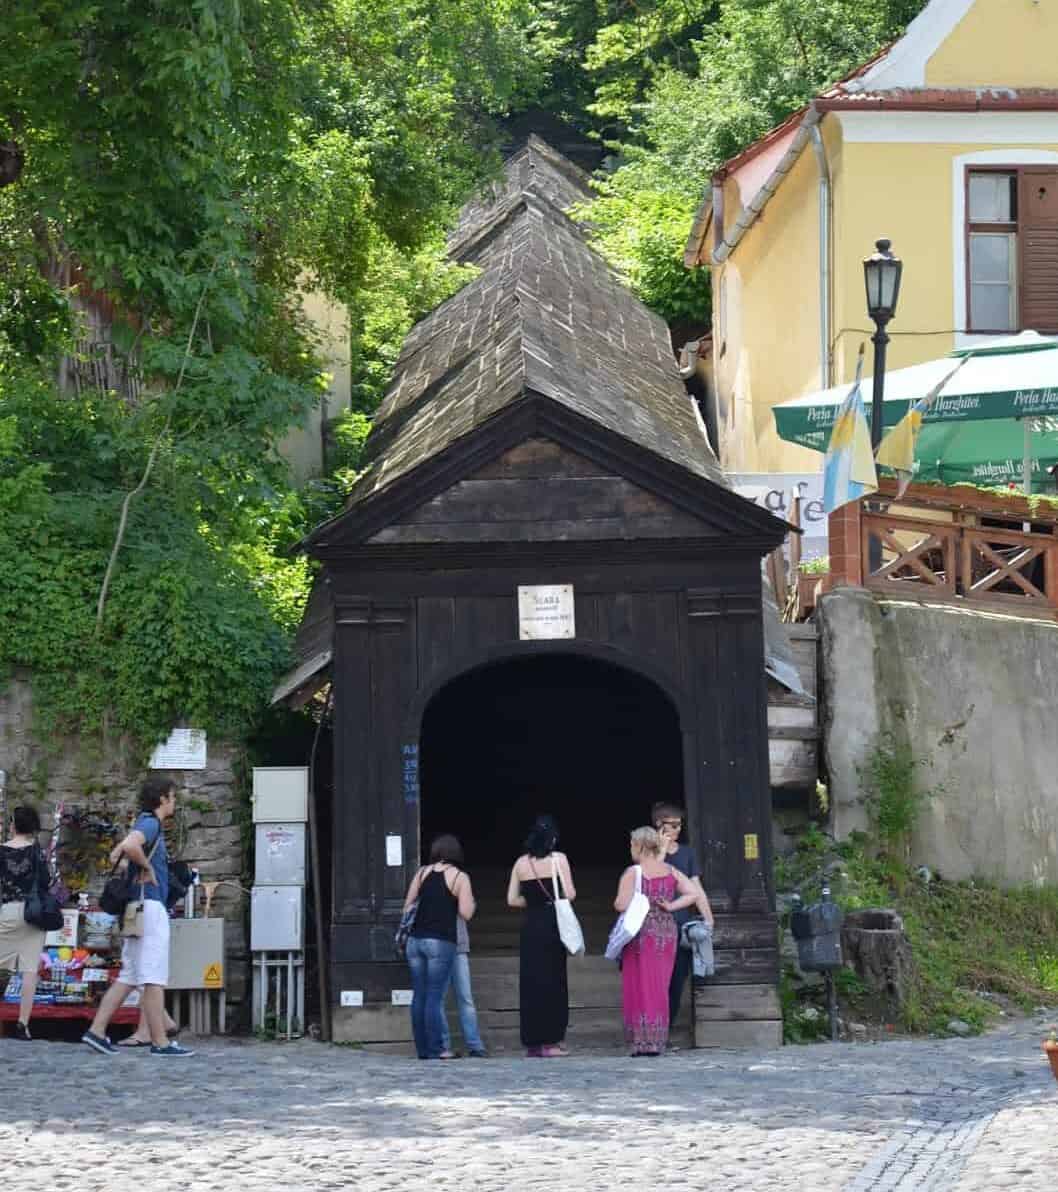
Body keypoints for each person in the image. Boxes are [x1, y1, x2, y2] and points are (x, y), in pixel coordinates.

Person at [82, 777, 194, 1057]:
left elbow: (115, 854)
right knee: (154, 977)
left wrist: (136, 858)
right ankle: (161, 1042)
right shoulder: (152, 823)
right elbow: (131, 847)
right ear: (162, 799)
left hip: (134, 909)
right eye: (172, 797)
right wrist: (147, 867)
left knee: (129, 975)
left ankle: (96, 1031)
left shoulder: (141, 822)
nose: (174, 802)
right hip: (150, 906)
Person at [615, 825, 712, 1057]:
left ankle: (640, 1041)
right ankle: (657, 1041)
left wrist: (637, 900)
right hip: (666, 932)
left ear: (639, 846)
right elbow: (693, 894)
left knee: (638, 985)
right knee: (659, 986)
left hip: (640, 933)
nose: (630, 848)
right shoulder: (670, 870)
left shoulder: (633, 873)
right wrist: (670, 906)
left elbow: (619, 904)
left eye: (631, 844)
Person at [507, 815, 576, 1058]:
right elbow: (569, 893)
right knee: (554, 982)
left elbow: (512, 900)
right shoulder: (559, 859)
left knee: (531, 983)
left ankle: (533, 1043)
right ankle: (552, 1041)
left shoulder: (520, 863)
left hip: (530, 926)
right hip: (552, 924)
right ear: (553, 838)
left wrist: (533, 900)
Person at [402, 834, 475, 1060]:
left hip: (415, 941)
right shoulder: (460, 877)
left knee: (420, 996)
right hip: (441, 941)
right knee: (434, 997)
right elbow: (466, 913)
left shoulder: (422, 873)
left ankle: (423, 1049)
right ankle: (437, 1049)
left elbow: (407, 907)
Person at [652, 800, 704, 1034]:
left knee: (677, 980)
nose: (676, 830)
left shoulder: (687, 853)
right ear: (658, 825)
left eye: (679, 825)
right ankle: (653, 1027)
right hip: (654, 924)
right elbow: (649, 874)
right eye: (671, 826)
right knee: (656, 981)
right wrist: (661, 850)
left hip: (680, 924)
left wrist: (708, 918)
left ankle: (666, 1027)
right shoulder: (647, 850)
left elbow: (696, 887)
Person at [0, 806, 49, 1040]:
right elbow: (46, 881)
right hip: (32, 912)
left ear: (13, 825)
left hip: (7, 910)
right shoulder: (36, 852)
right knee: (30, 969)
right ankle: (23, 1023)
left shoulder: (1, 852)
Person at [439, 916, 487, 1058]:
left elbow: (467, 912)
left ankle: (475, 1045)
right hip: (438, 945)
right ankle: (443, 1045)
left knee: (465, 998)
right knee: (439, 1000)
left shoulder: (461, 892)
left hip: (458, 945)